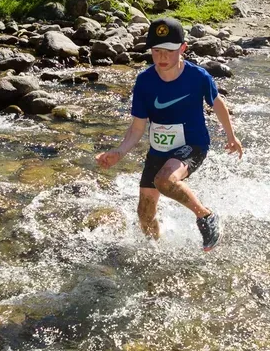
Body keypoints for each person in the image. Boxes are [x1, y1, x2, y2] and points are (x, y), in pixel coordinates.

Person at [95, 16, 243, 252]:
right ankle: (157, 251)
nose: (162, 57)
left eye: (168, 50)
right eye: (156, 50)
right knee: (144, 214)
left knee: (164, 180)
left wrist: (231, 136)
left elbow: (216, 103)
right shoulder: (144, 82)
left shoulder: (198, 77)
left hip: (193, 144)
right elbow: (137, 128)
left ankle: (205, 216)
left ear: (182, 48)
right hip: (159, 149)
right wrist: (119, 152)